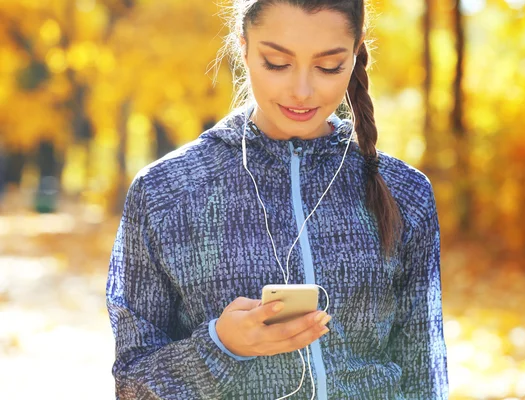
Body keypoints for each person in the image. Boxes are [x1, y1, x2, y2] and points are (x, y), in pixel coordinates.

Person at [106, 0, 448, 399]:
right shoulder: (166, 192)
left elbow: (424, 376)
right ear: (244, 48)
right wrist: (220, 346)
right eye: (277, 63)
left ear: (355, 57)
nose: (301, 91)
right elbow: (132, 385)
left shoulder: (405, 192)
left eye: (329, 66)